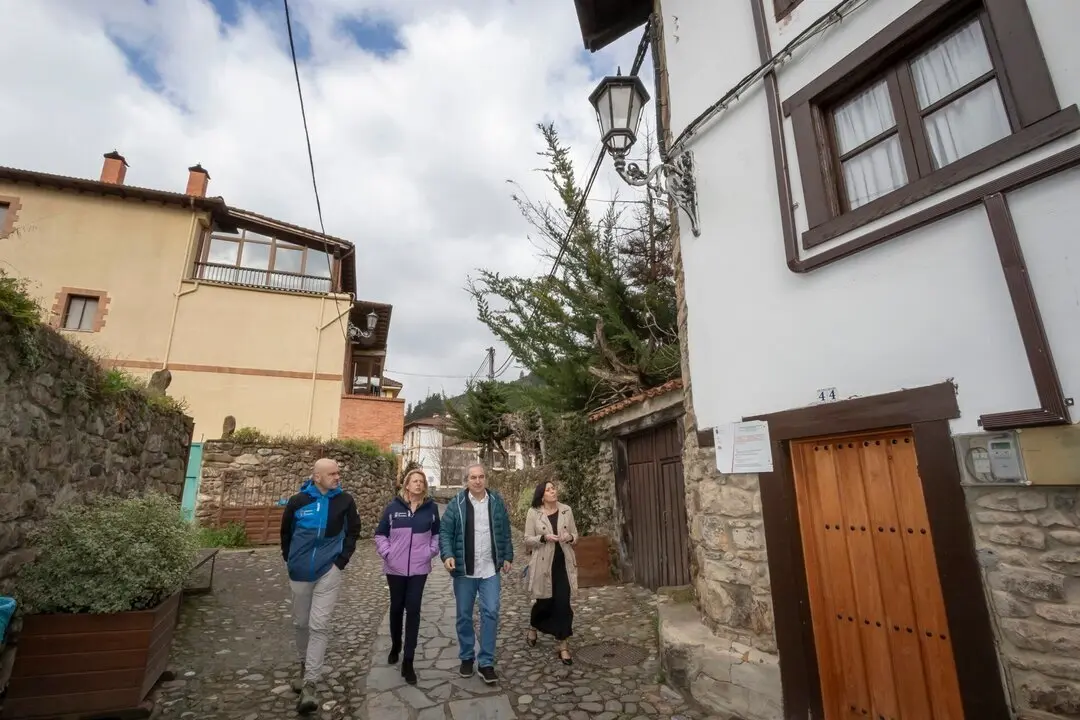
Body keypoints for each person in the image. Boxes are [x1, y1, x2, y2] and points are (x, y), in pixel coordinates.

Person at [279, 458, 360, 714]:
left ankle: (310, 684)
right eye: (332, 473)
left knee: (319, 625)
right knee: (301, 623)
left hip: (329, 571)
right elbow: (285, 533)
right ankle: (305, 668)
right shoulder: (297, 502)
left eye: (338, 472)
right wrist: (291, 560)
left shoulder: (345, 501)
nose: (338, 477)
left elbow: (353, 532)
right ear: (317, 476)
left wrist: (340, 562)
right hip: (300, 572)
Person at [438, 462, 514, 685]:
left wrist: (507, 555)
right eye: (473, 477)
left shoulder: (496, 502)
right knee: (464, 615)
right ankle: (467, 656)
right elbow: (445, 531)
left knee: (491, 611)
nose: (478, 481)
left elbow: (505, 530)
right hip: (464, 571)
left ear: (486, 479)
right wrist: (447, 554)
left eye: (481, 476)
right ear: (466, 481)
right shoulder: (456, 504)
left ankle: (487, 662)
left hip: (490, 569)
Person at [374, 467, 440, 685]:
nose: (418, 484)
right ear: (407, 485)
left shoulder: (431, 509)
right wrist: (387, 554)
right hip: (395, 568)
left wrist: (430, 552)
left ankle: (408, 661)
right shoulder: (393, 508)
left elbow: (437, 535)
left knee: (413, 609)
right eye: (414, 481)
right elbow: (380, 534)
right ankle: (395, 645)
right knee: (396, 608)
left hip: (419, 569)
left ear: (425, 486)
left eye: (421, 481)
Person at [523, 480, 579, 665]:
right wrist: (543, 537)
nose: (553, 491)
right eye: (548, 490)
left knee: (563, 603)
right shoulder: (534, 512)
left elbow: (575, 536)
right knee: (544, 602)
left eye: (553, 488)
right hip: (542, 565)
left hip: (563, 563)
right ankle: (533, 625)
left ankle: (563, 645)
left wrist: (569, 537)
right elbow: (527, 540)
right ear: (542, 494)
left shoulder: (566, 510)